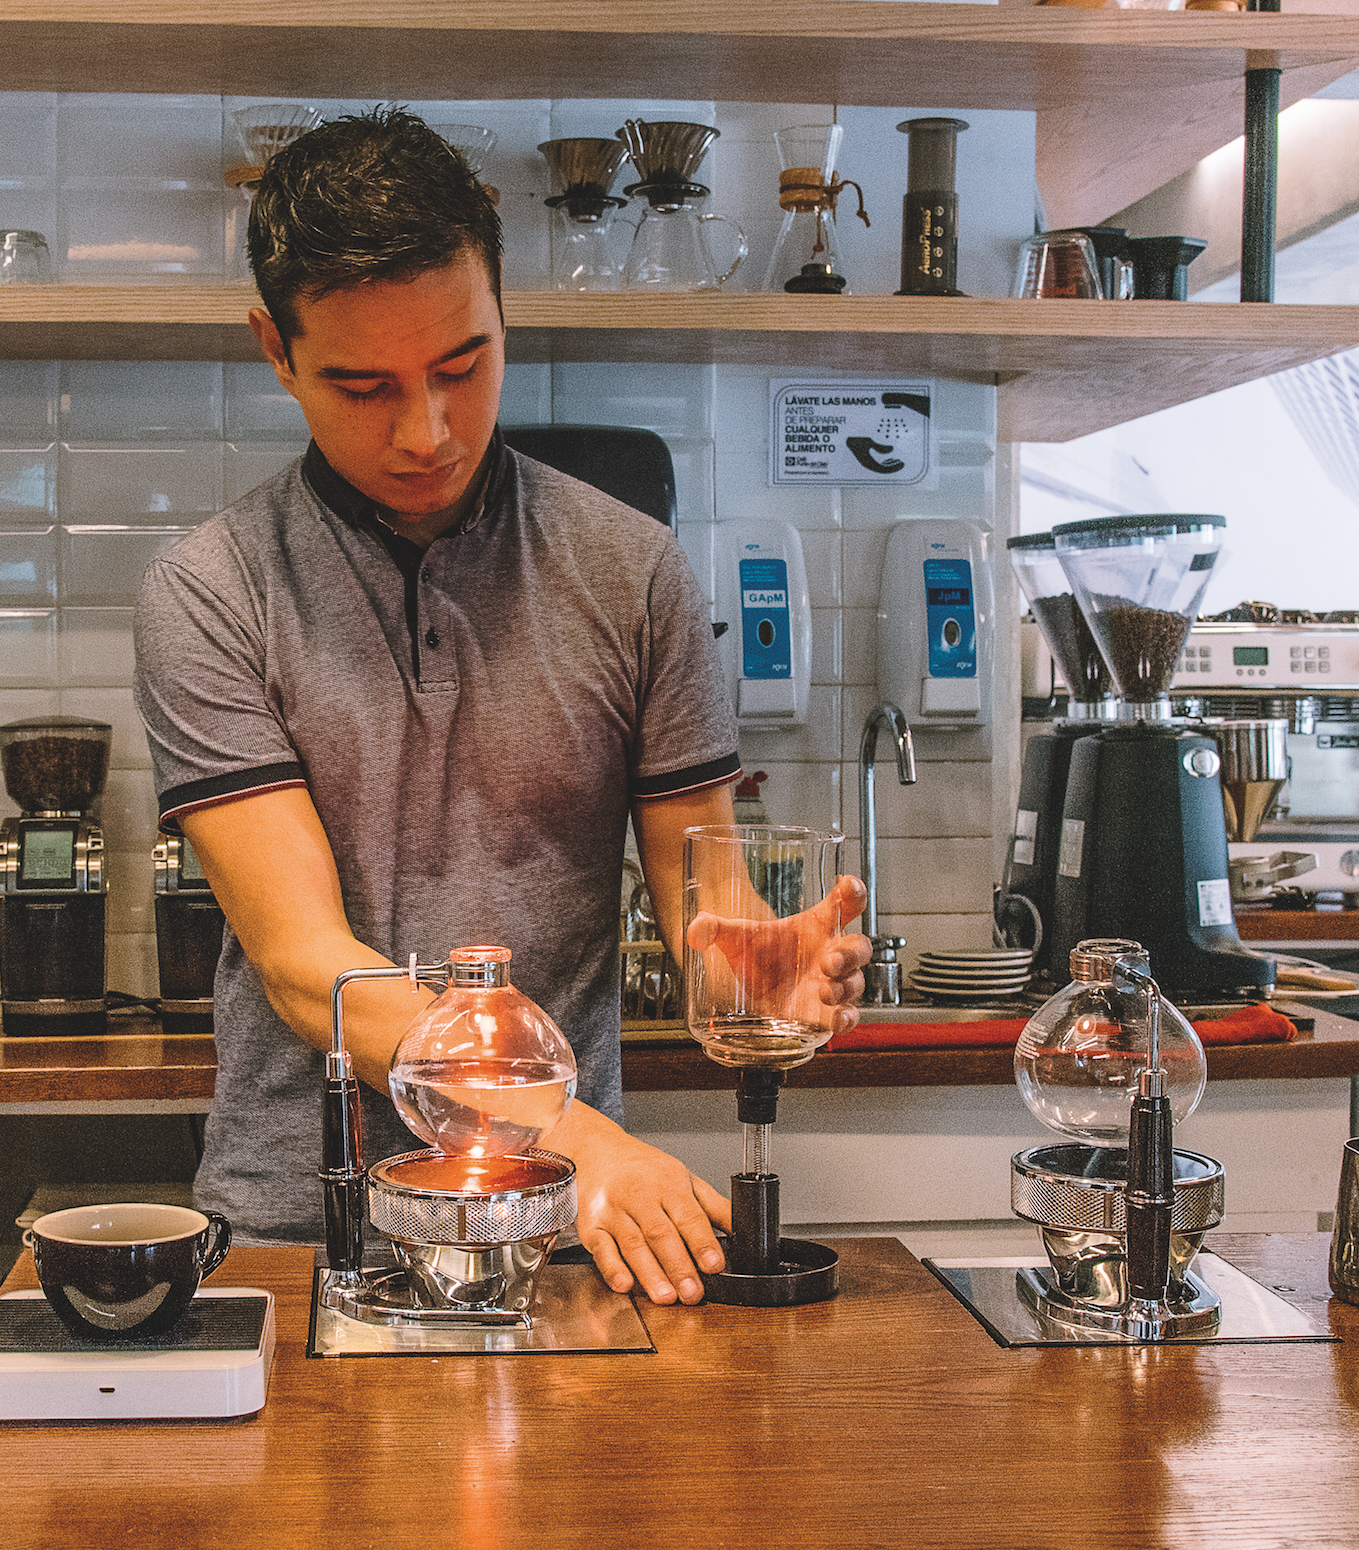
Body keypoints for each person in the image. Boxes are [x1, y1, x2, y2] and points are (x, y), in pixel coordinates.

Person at [132, 108, 867, 1306]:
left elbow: (705, 897)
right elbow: (300, 961)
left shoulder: (632, 572)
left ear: (503, 309)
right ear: (276, 349)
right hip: (305, 1228)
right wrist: (574, 1131)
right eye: (362, 384)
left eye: (460, 366)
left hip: (561, 1230)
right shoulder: (213, 591)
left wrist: (750, 973)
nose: (423, 430)